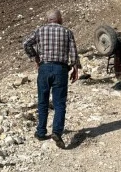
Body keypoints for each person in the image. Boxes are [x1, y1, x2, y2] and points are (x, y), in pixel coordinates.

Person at [23, 9, 81, 149]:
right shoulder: (67, 32)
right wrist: (75, 69)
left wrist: (35, 57)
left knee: (42, 101)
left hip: (44, 69)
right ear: (60, 19)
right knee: (59, 103)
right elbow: (73, 53)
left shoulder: (40, 30)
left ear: (47, 19)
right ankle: (56, 132)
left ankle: (41, 132)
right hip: (61, 70)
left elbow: (26, 43)